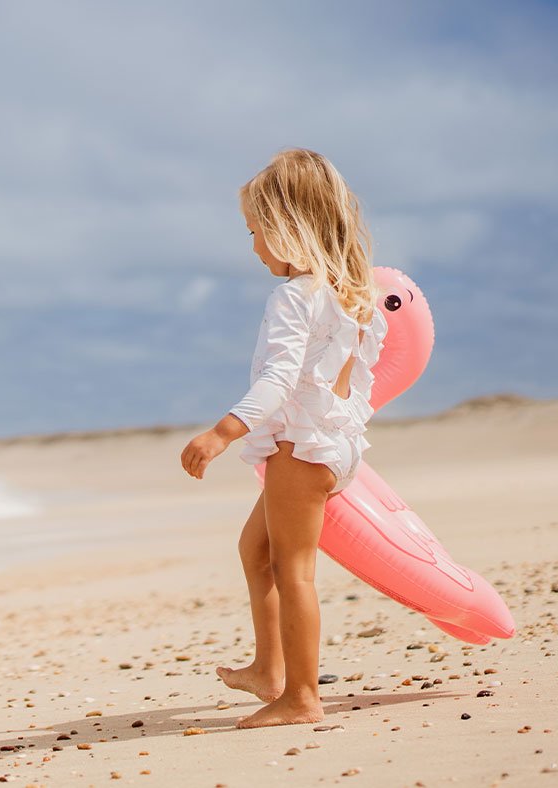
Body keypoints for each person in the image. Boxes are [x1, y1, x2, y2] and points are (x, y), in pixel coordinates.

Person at [179, 148, 386, 728]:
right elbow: (361, 374)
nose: (252, 247)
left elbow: (280, 378)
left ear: (287, 227)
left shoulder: (294, 297)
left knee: (294, 571)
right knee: (257, 551)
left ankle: (301, 696)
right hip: (333, 445)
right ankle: (268, 670)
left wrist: (223, 433)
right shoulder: (355, 294)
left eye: (255, 232)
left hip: (302, 448)